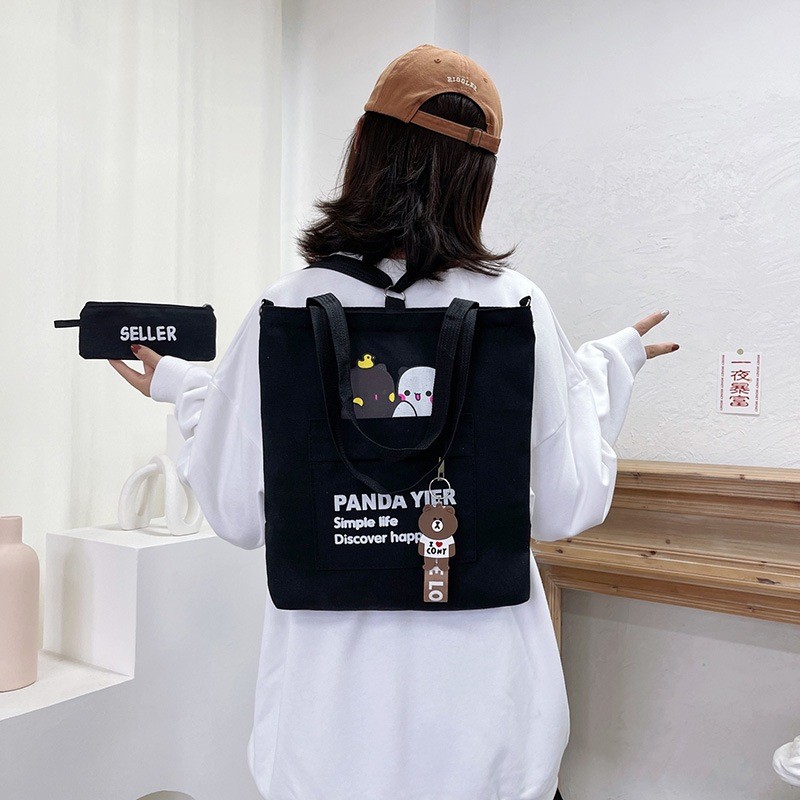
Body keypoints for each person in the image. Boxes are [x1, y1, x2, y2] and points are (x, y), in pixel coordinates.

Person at [110, 43, 677, 800]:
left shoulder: (288, 307)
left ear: (365, 146)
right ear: (478, 176)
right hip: (487, 727)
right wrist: (610, 367)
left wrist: (185, 389)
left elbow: (236, 510)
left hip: (326, 735)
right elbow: (565, 503)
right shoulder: (515, 308)